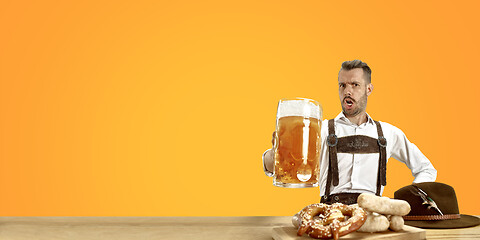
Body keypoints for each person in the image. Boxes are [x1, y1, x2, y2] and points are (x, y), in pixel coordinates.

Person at [262, 60, 437, 205]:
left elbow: (426, 169)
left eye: (355, 85)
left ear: (369, 89)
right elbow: (272, 168)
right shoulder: (320, 130)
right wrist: (276, 152)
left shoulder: (388, 133)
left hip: (374, 216)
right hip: (330, 215)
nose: (347, 91)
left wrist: (413, 201)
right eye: (342, 85)